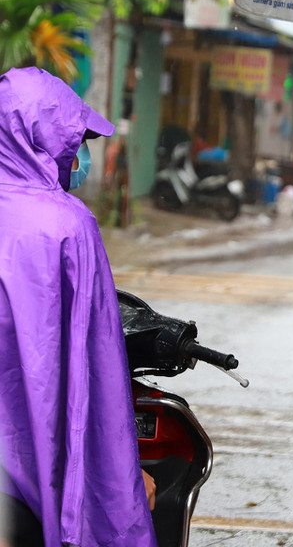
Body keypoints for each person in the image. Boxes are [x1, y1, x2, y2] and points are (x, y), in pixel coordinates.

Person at [0, 67, 157, 546]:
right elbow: (95, 375)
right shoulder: (66, 225)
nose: (82, 155)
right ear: (45, 137)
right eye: (77, 140)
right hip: (27, 458)